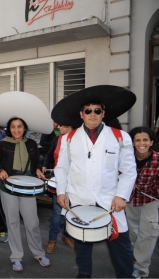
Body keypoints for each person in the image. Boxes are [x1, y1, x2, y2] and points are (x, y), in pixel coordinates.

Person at [53, 85, 137, 278]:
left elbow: (129, 170)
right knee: (82, 245)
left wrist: (121, 196)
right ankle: (84, 275)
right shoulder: (68, 138)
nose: (93, 114)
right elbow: (62, 168)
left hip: (110, 203)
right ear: (81, 114)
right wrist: (61, 192)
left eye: (97, 110)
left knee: (120, 246)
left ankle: (125, 276)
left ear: (103, 113)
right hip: (79, 201)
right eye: (88, 110)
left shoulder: (120, 137)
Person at [0, 117, 51, 272]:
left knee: (32, 223)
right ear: (9, 128)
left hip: (27, 187)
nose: (16, 130)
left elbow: (37, 161)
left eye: (19, 126)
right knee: (12, 223)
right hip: (8, 187)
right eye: (13, 127)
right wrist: (1, 170)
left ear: (25, 128)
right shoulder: (3, 143)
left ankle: (38, 253)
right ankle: (16, 257)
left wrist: (38, 169)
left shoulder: (31, 144)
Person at [126, 127, 159, 278]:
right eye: (137, 140)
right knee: (132, 233)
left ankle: (141, 267)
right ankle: (135, 258)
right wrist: (127, 182)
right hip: (130, 200)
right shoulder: (125, 158)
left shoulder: (157, 160)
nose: (142, 143)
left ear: (151, 142)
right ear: (132, 143)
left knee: (148, 233)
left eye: (145, 139)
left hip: (150, 199)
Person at [42, 124, 75, 253]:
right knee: (57, 213)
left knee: (70, 213)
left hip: (75, 183)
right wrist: (45, 164)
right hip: (59, 181)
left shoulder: (79, 139)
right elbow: (50, 154)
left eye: (62, 125)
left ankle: (66, 236)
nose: (59, 127)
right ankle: (52, 240)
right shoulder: (57, 139)